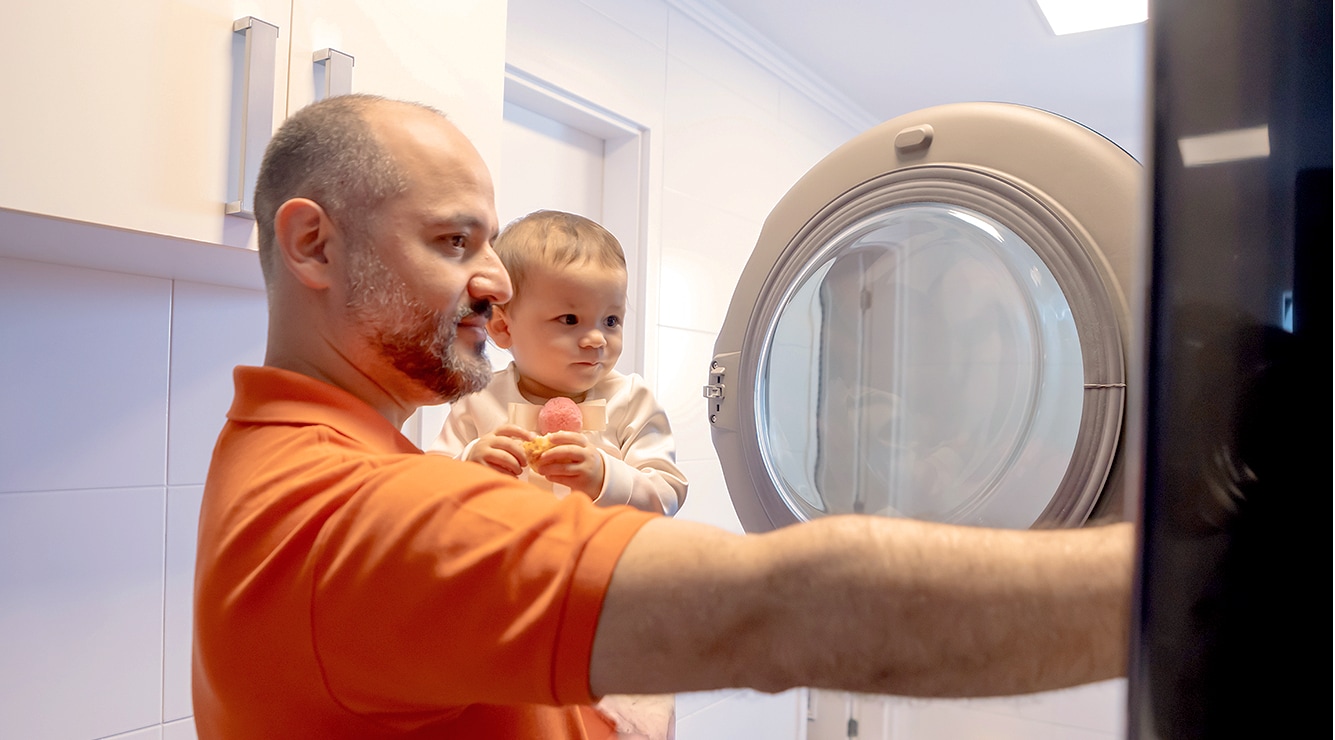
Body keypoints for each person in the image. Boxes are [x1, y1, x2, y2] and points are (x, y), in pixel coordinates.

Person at [192, 93, 1135, 740]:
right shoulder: (345, 517)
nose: (492, 284)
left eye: (490, 243)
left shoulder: (293, 453)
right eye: (452, 241)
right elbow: (791, 607)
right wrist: (1199, 576)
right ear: (314, 244)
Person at [429, 209, 686, 517]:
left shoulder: (632, 400)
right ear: (503, 328)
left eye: (611, 320)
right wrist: (469, 462)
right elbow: (429, 484)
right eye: (569, 319)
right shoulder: (478, 400)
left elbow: (667, 496)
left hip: (600, 557)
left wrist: (605, 477)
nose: (597, 339)